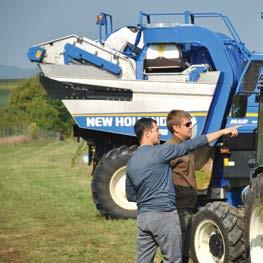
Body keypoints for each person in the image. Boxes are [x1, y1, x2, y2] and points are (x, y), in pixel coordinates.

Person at [126, 117, 239, 263]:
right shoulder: (160, 152)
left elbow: (130, 195)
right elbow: (193, 144)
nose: (159, 134)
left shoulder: (131, 162)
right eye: (156, 130)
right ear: (147, 134)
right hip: (165, 216)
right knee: (173, 259)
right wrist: (223, 131)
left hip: (143, 219)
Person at [166, 110, 198, 263]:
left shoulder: (185, 146)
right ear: (176, 127)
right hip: (177, 208)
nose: (191, 127)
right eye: (187, 124)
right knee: (175, 254)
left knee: (184, 254)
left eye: (191, 123)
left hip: (187, 206)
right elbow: (161, 175)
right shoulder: (171, 148)